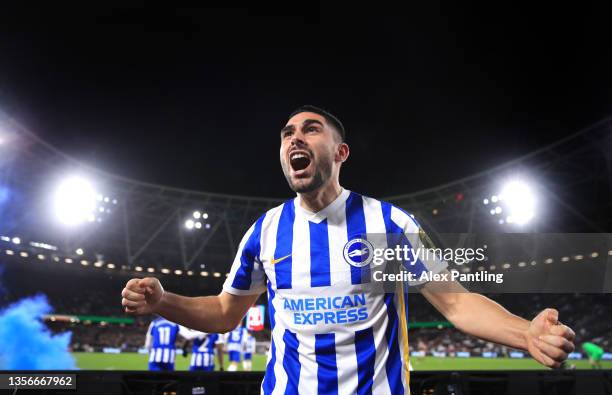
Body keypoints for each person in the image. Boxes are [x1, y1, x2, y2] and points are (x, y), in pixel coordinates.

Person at [123, 105, 576, 394]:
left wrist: (525, 335)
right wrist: (163, 301)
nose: (294, 138)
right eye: (286, 134)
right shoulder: (266, 231)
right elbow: (224, 313)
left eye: (310, 129)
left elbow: (457, 302)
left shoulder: (388, 225)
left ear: (340, 152)